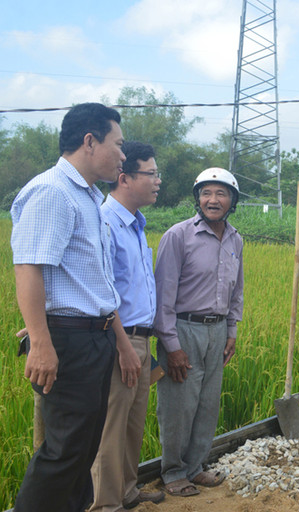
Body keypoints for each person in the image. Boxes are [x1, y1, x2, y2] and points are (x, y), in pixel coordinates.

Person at [10, 102, 137, 512]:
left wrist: (118, 341)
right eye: (118, 145)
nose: (122, 154)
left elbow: (95, 285)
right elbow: (29, 268)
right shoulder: (52, 191)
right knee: (64, 452)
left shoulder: (87, 198)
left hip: (92, 338)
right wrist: (43, 342)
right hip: (69, 342)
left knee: (82, 451)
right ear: (89, 141)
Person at [154, 168, 244, 497]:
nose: (213, 200)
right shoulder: (178, 236)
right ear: (198, 199)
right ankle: (174, 471)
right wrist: (171, 345)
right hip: (183, 328)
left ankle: (195, 467)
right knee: (179, 404)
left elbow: (237, 291)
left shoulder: (236, 239)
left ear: (232, 200)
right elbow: (163, 295)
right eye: (206, 193)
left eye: (221, 194)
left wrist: (231, 328)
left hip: (217, 330)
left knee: (207, 404)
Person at [89, 141, 165, 512]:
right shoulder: (106, 224)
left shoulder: (136, 225)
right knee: (112, 426)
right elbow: (105, 292)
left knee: (133, 425)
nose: (158, 181)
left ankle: (128, 491)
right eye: (151, 174)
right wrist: (123, 346)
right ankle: (106, 503)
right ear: (124, 178)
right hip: (120, 341)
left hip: (141, 339)